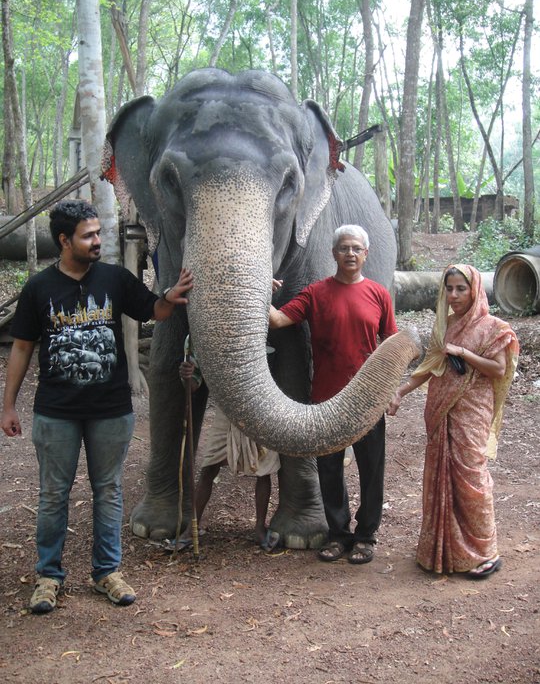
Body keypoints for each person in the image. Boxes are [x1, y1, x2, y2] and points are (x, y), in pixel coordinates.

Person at [0, 200, 193, 614]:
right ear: (64, 240)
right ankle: (48, 576)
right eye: (89, 235)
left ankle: (107, 571)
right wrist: (8, 405)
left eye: (99, 233)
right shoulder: (39, 288)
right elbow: (21, 347)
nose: (98, 242)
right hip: (56, 411)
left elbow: (153, 310)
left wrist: (171, 297)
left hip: (110, 409)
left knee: (108, 491)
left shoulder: (115, 279)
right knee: (54, 495)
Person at [269, 224, 397, 565]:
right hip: (326, 400)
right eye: (344, 248)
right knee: (329, 470)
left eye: (356, 248)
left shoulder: (378, 294)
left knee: (372, 470)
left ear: (366, 254)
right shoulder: (316, 293)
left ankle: (366, 536)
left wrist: (391, 390)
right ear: (334, 253)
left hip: (368, 400)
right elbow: (279, 320)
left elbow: (391, 344)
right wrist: (259, 292)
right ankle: (338, 534)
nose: (350, 254)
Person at [387, 264, 519, 578]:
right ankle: (443, 551)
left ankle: (485, 552)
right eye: (450, 288)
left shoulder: (493, 327)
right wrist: (401, 391)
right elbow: (430, 365)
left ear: (475, 290)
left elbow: (498, 369)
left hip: (472, 412)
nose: (455, 295)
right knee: (441, 475)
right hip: (440, 409)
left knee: (471, 477)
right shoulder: (444, 325)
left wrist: (463, 352)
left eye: (461, 288)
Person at [178, 341, 281, 552]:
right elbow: (195, 384)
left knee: (264, 471)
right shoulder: (197, 336)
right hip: (227, 408)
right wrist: (187, 375)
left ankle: (259, 528)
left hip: (260, 403)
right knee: (209, 468)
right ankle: (191, 529)